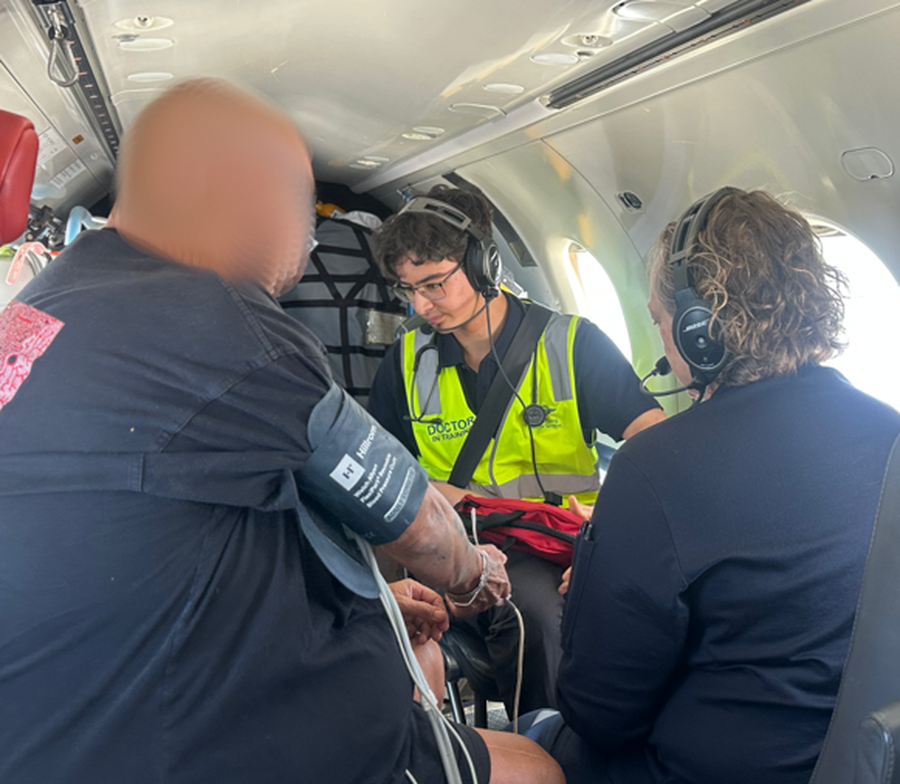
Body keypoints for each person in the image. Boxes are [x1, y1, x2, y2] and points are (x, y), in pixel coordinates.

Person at [0, 79, 565, 784]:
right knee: (539, 766)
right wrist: (478, 575)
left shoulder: (52, 296)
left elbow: (159, 532)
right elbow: (418, 526)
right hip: (175, 731)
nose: (308, 231)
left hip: (73, 712)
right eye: (301, 207)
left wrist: (375, 601)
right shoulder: (225, 326)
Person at [536, 187, 900, 784]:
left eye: (659, 321)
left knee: (535, 731)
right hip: (860, 764)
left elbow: (599, 713)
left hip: (700, 770)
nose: (662, 342)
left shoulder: (655, 467)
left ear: (698, 329)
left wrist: (591, 599)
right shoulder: (890, 431)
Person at [367, 185, 665, 714]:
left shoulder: (573, 343)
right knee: (513, 611)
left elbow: (656, 439)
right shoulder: (407, 360)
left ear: (485, 264)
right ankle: (506, 746)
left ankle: (573, 742)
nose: (419, 305)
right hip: (457, 549)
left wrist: (611, 528)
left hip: (553, 543)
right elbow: (376, 466)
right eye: (407, 289)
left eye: (434, 284)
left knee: (570, 612)